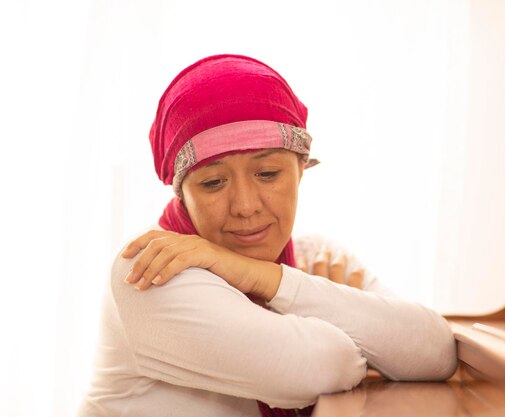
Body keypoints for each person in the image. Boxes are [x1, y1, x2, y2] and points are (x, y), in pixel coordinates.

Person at [79, 54, 457, 417]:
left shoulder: (316, 258)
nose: (245, 206)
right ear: (182, 193)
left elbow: (435, 351)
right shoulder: (150, 270)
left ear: (301, 170)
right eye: (213, 182)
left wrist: (261, 275)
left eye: (267, 174)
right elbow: (326, 367)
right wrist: (360, 336)